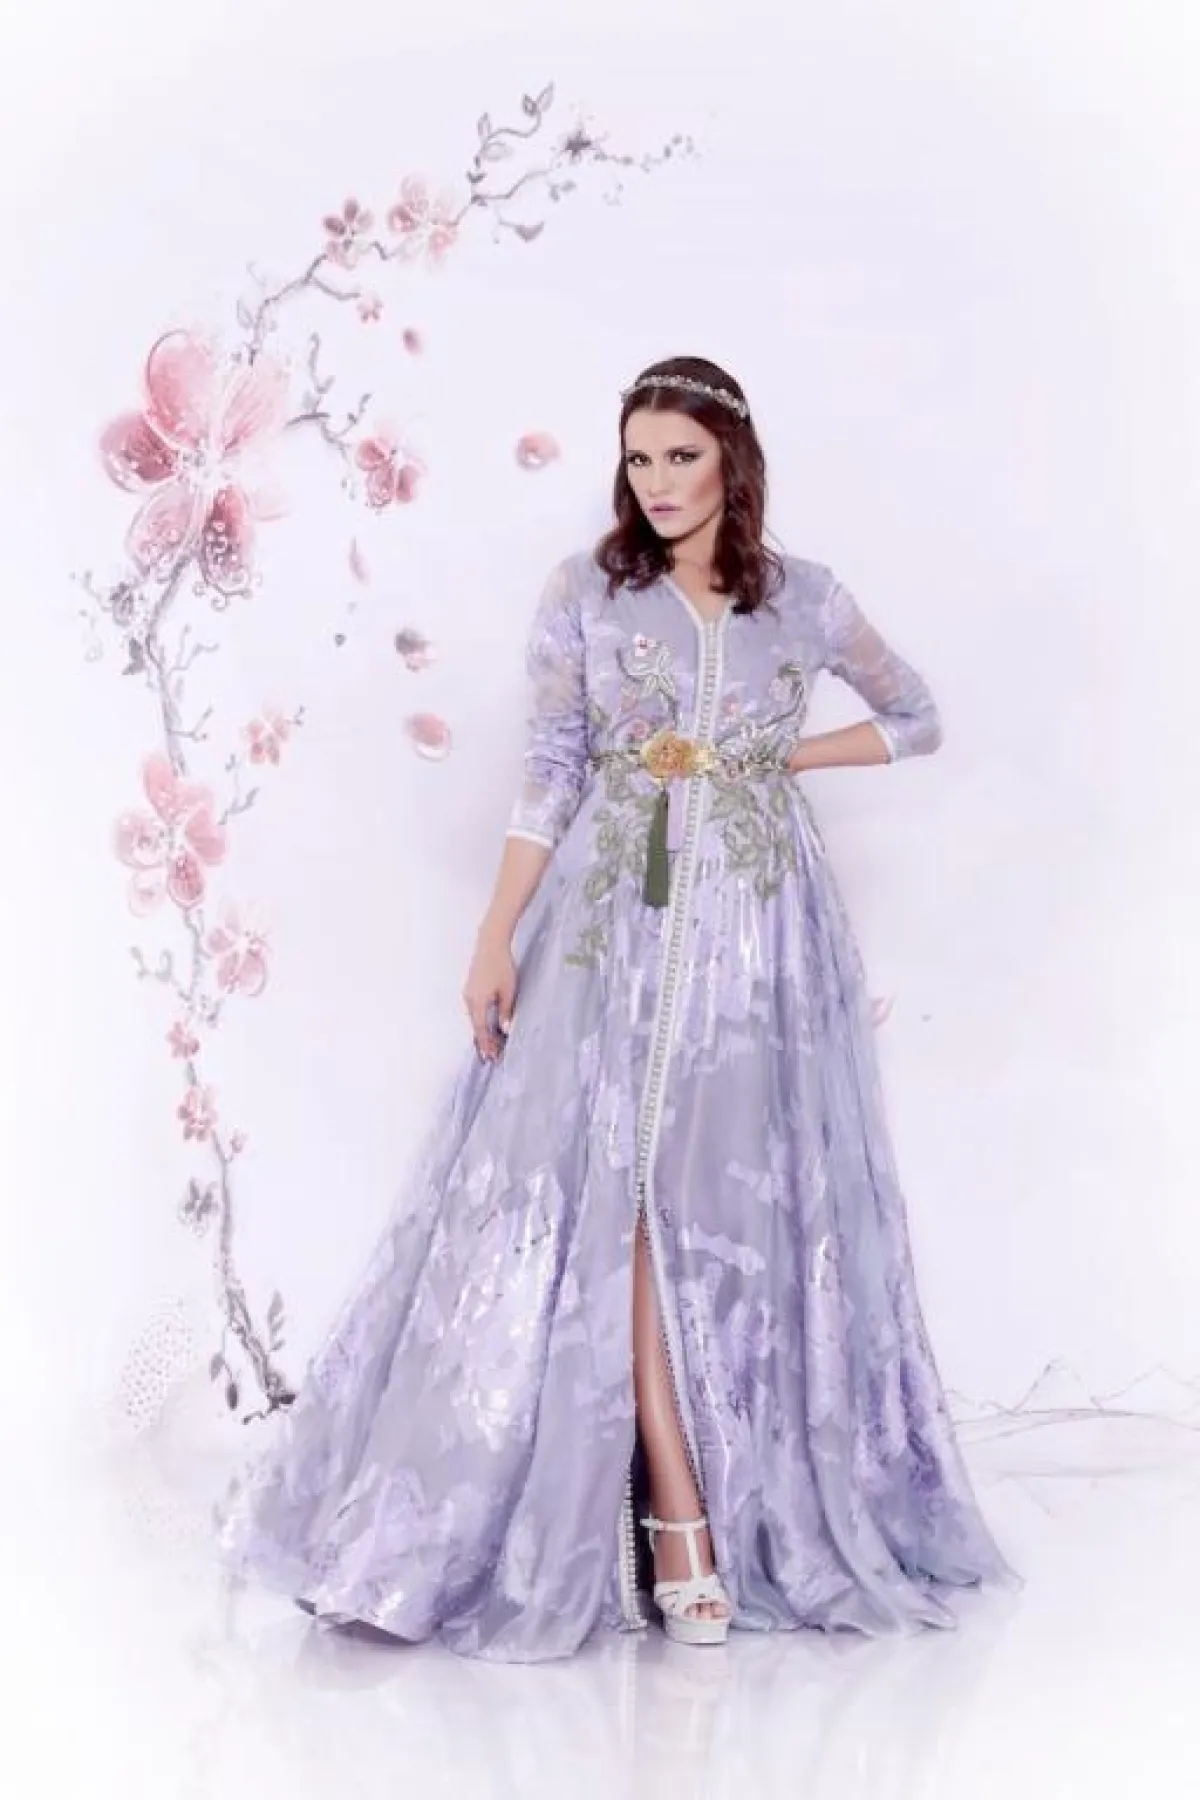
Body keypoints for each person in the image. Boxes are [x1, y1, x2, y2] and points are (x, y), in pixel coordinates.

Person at [217, 354, 1020, 1662]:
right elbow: (549, 769)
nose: (656, 482)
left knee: (713, 1200)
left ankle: (716, 1499)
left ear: (732, 462)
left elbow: (916, 717)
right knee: (619, 1190)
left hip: (759, 935)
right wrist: (495, 935)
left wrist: (780, 753)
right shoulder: (586, 594)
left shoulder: (806, 600)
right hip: (609, 923)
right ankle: (675, 1514)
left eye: (681, 457)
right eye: (639, 458)